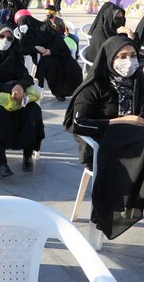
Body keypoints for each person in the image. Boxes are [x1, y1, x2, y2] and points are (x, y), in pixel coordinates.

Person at [64, 36, 144, 240]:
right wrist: (120, 122)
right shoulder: (95, 87)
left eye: (133, 55)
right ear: (109, 58)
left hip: (134, 143)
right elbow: (78, 123)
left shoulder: (138, 82)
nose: (130, 61)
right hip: (100, 148)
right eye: (123, 56)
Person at [0, 24, 45, 178]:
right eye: (1, 37)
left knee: (33, 111)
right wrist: (10, 88)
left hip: (18, 95)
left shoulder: (15, 54)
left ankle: (27, 156)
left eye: (9, 38)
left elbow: (26, 75)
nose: (5, 41)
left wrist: (20, 86)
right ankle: (1, 163)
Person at [15, 10, 82, 101]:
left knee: (73, 66)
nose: (23, 28)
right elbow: (22, 50)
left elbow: (59, 42)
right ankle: (58, 92)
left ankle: (76, 91)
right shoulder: (25, 34)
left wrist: (51, 51)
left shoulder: (45, 28)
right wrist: (36, 48)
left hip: (57, 52)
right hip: (42, 57)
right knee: (52, 65)